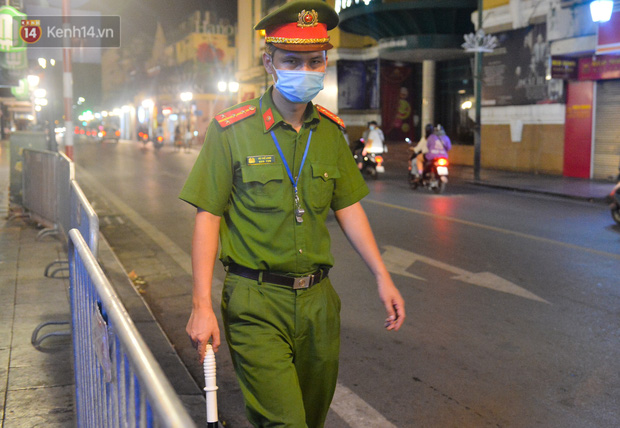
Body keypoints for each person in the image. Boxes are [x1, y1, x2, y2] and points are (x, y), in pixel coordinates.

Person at [179, 1, 405, 427]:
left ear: (325, 62)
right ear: (269, 61)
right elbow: (207, 216)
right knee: (284, 423)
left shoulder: (332, 134)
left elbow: (349, 207)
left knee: (310, 420)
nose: (305, 70)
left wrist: (381, 275)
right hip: (256, 301)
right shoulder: (231, 130)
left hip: (320, 303)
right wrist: (200, 304)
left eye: (314, 61)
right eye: (291, 60)